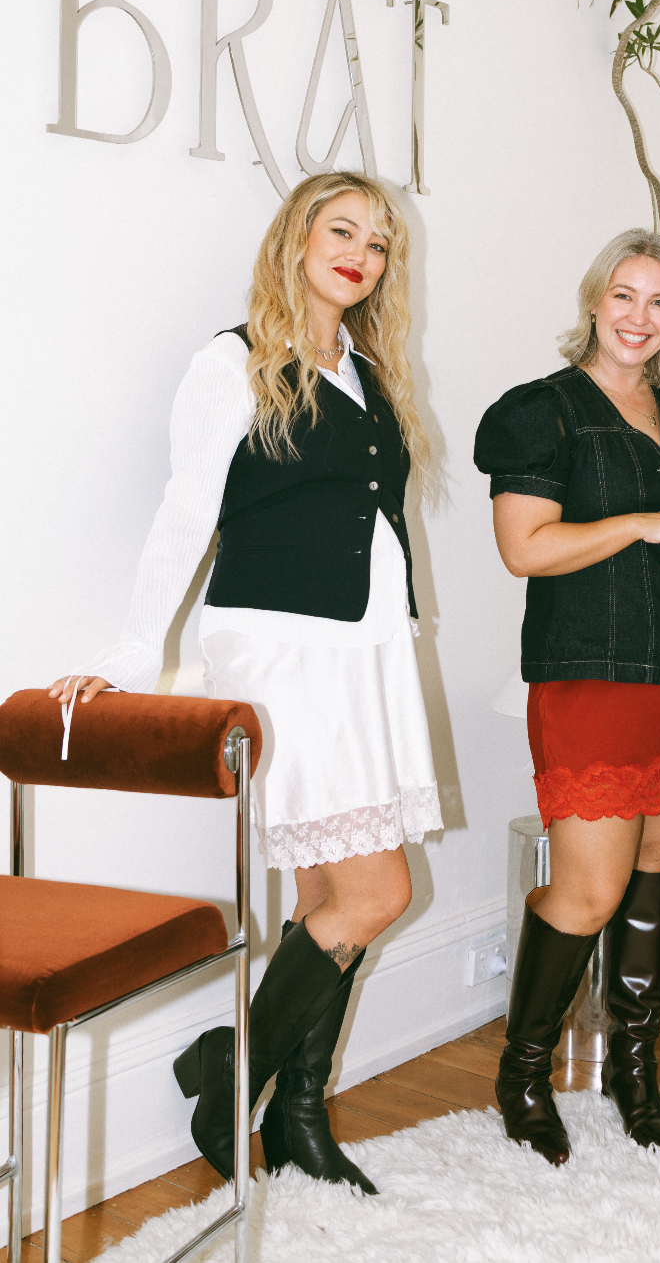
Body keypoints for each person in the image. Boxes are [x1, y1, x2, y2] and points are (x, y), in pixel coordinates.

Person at [48, 171, 442, 1196]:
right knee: (376, 891)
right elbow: (188, 510)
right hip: (276, 644)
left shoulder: (365, 368)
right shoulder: (232, 362)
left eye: (380, 241)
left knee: (326, 892)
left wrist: (393, 630)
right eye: (342, 229)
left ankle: (296, 1116)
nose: (362, 251)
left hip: (362, 645)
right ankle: (227, 1084)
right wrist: (136, 653)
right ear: (296, 239)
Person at [473, 229, 660, 1167]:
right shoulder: (539, 414)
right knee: (589, 891)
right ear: (594, 302)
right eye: (624, 296)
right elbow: (526, 548)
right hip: (590, 675)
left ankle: (636, 1072)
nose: (640, 317)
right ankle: (523, 1072)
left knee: (656, 867)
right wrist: (640, 522)